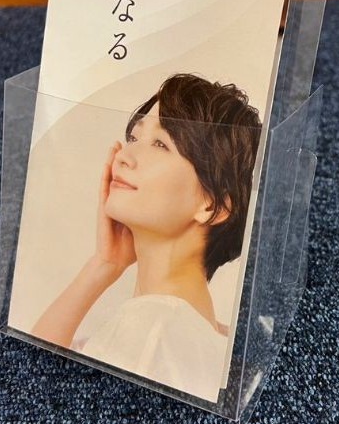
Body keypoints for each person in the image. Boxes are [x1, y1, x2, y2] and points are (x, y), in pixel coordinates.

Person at [32, 73, 261, 401]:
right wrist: (105, 263)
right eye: (134, 137)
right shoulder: (207, 334)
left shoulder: (153, 331)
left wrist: (101, 267)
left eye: (160, 144)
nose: (123, 155)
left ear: (212, 205)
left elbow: (34, 391)